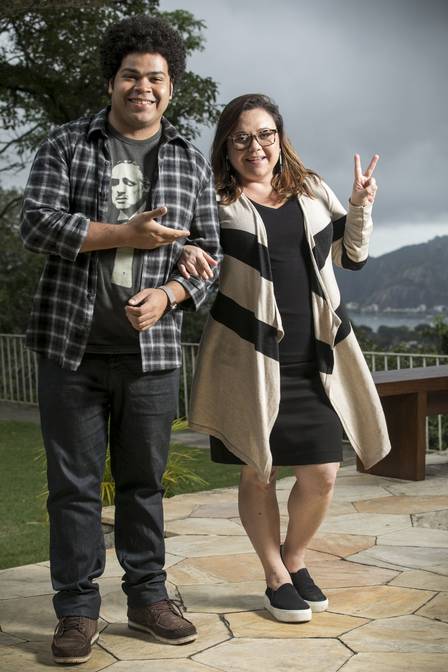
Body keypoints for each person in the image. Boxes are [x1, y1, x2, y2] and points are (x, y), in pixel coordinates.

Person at [20, 15, 220, 664]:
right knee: (72, 489)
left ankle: (148, 598)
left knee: (144, 484)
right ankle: (77, 612)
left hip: (152, 357)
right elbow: (38, 225)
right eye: (131, 75)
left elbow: (210, 260)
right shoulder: (67, 144)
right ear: (112, 80)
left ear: (171, 88)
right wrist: (122, 235)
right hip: (70, 351)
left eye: (156, 78)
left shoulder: (189, 159)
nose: (143, 86)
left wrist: (170, 295)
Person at [180, 93, 390, 623]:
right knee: (259, 471)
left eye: (266, 134)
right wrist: (182, 252)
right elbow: (189, 257)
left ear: (280, 138)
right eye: (243, 137)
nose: (256, 147)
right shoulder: (214, 201)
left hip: (315, 356)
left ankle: (295, 559)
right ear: (227, 146)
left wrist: (361, 205)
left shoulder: (312, 189)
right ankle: (274, 574)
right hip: (249, 359)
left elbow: (353, 257)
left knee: (322, 470)